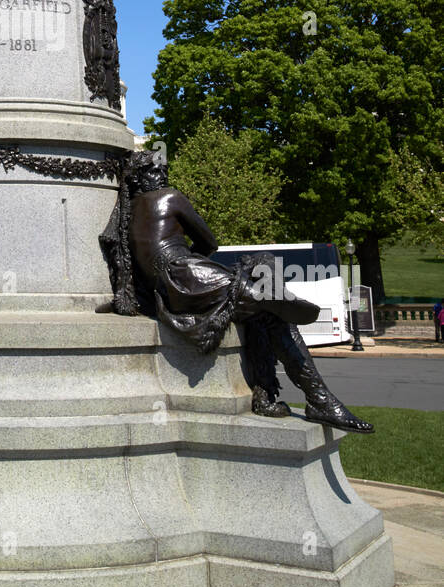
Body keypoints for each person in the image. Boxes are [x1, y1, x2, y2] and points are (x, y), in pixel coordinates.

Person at [99, 152, 373, 434]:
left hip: (166, 288)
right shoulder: (169, 197)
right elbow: (209, 241)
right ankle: (318, 399)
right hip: (185, 272)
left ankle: (278, 392)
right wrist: (192, 256)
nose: (163, 175)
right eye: (157, 171)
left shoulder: (128, 212)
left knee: (262, 312)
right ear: (142, 177)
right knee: (267, 302)